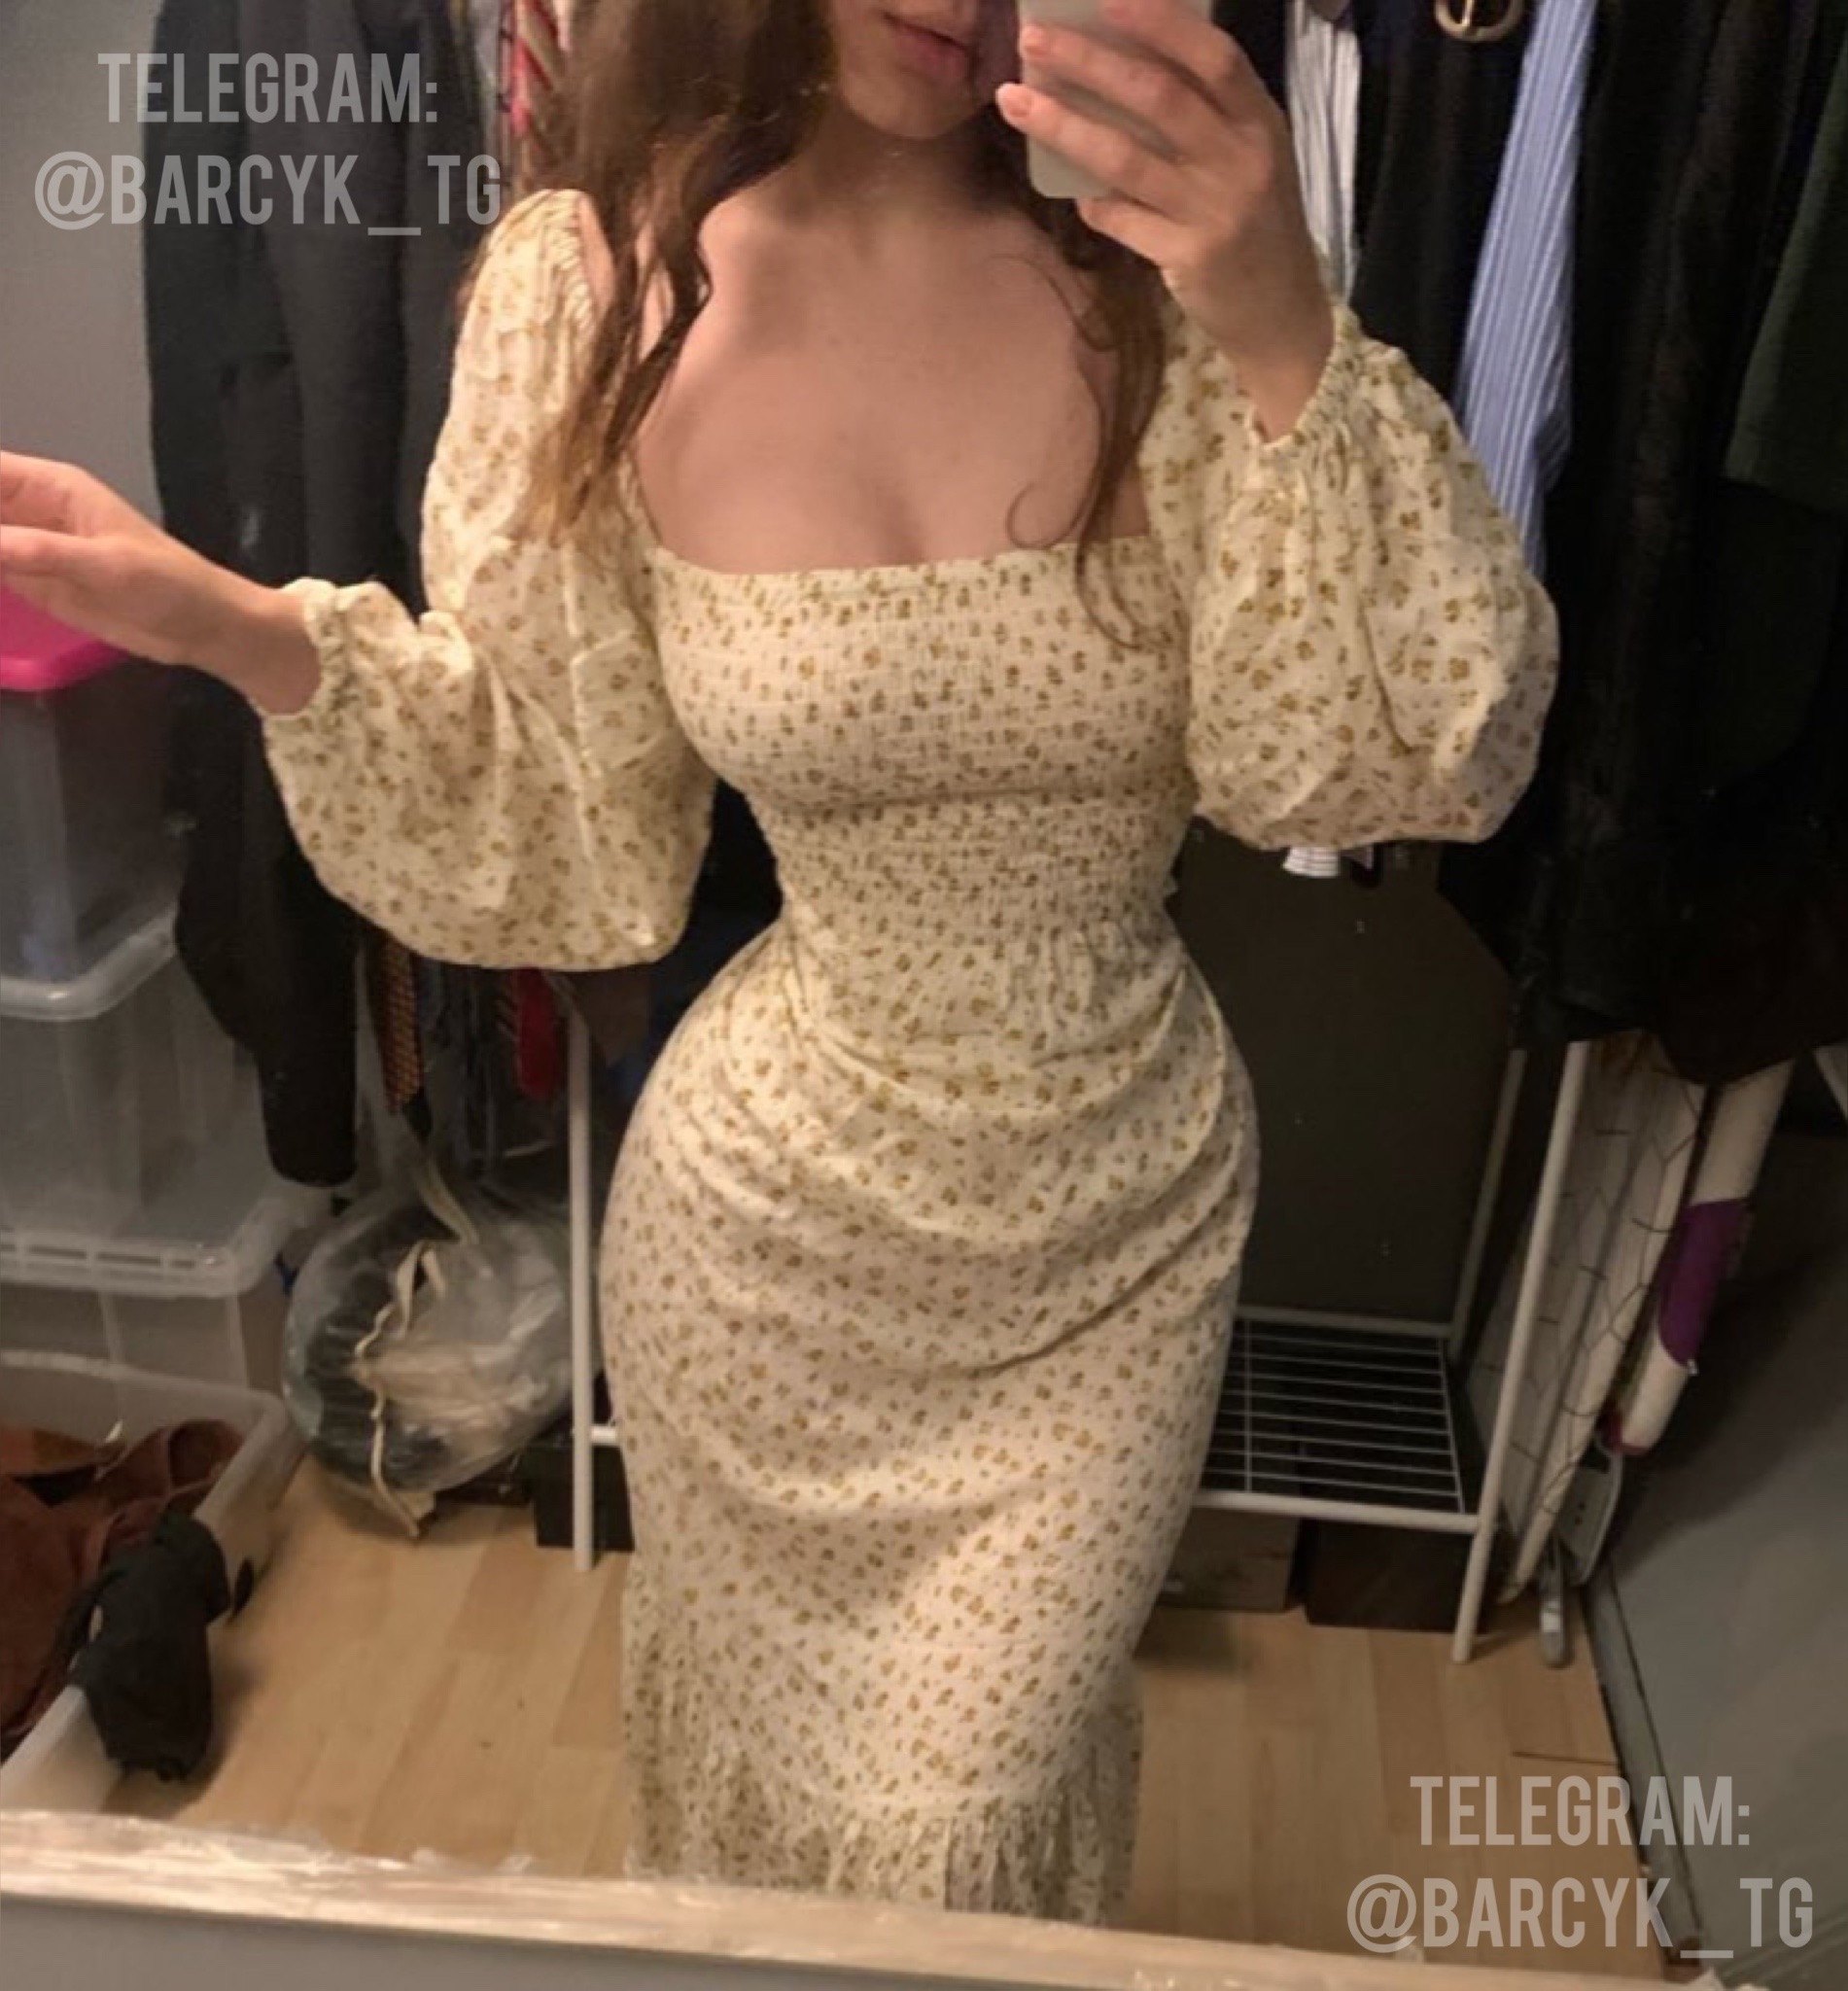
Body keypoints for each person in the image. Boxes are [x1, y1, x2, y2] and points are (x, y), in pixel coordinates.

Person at [1, 0, 1557, 1927]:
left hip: (1110, 1237)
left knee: (963, 1826)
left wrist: (1282, 318)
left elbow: (1403, 753)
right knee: (770, 1843)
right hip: (762, 1243)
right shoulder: (600, 296)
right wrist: (229, 625)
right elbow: (562, 818)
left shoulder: (1168, 285)